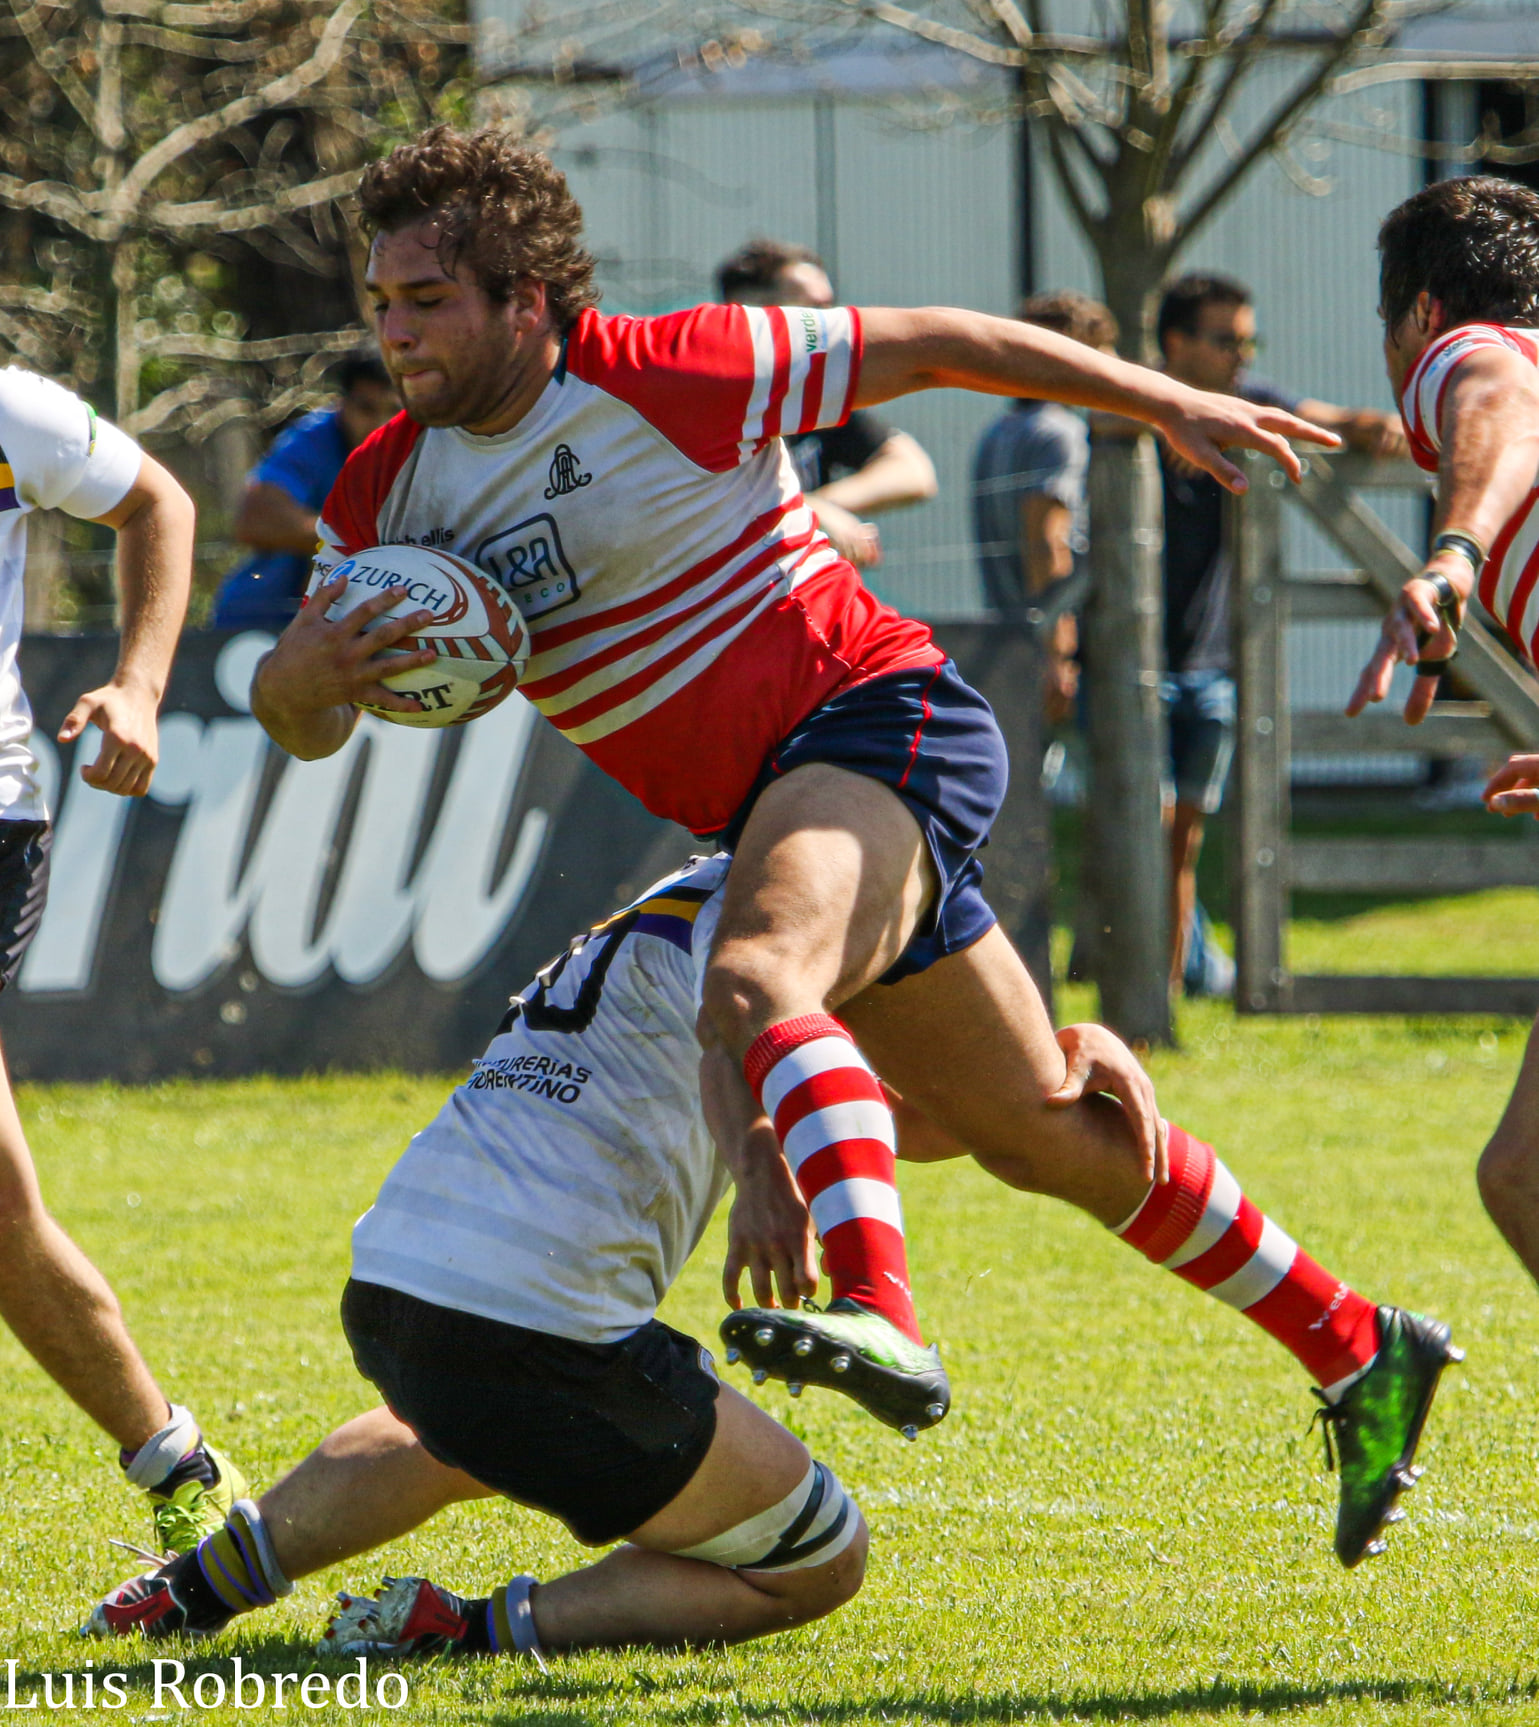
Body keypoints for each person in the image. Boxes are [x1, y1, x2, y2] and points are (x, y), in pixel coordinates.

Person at [249, 126, 1446, 1571]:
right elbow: (297, 714)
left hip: (877, 719)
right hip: (769, 804)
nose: (393, 328)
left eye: (426, 297)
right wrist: (304, 678)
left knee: (753, 974)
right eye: (380, 299)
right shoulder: (386, 492)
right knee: (1036, 1133)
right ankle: (1356, 1344)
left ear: (526, 297)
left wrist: (1163, 399)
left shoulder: (675, 363)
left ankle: (877, 1308)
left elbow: (945, 341)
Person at [89, 856, 867, 1658]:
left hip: (394, 1282)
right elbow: (744, 1033)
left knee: (466, 1431)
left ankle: (188, 1590)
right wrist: (767, 1166)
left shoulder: (667, 897)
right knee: (821, 1557)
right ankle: (459, 1631)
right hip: (536, 1330)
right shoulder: (787, 903)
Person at [0, 367, 243, 1549]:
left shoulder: (7, 410)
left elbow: (161, 504)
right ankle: (177, 1464)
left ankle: (178, 1468)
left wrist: (141, 685)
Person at [1344, 175, 1539, 1307]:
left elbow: (1496, 394)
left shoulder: (1470, 351)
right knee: (1520, 1172)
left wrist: (1452, 553)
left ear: (1417, 312)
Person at [1152, 273, 1409, 995]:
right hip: (1129, 658)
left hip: (1206, 663)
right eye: (1222, 339)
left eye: (1247, 340)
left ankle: (1165, 989)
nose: (1239, 355)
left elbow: (1325, 421)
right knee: (1143, 828)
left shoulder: (1249, 401)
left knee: (1181, 839)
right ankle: (1152, 975)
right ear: (1175, 343)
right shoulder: (1130, 406)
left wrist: (1374, 429)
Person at [717, 238, 936, 570]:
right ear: (747, 311)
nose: (831, 325)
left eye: (829, 308)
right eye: (812, 312)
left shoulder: (808, 393)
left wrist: (817, 507)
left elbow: (914, 472)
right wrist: (805, 513)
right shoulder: (708, 398)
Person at [971, 289, 1117, 723]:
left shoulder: (997, 432)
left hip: (1008, 638)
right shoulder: (1061, 433)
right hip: (1055, 649)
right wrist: (1058, 653)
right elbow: (1047, 541)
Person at [210, 354, 396, 633]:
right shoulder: (315, 439)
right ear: (341, 403)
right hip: (260, 624)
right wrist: (358, 541)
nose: (379, 424)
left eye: (393, 410)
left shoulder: (422, 440)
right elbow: (254, 519)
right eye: (366, 409)